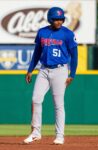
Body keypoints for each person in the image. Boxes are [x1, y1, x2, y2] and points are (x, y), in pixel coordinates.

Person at [23, 7, 78, 145]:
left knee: (58, 104)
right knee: (36, 99)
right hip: (43, 70)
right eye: (55, 19)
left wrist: (73, 73)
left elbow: (74, 55)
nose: (58, 21)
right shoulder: (42, 32)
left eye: (61, 19)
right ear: (50, 19)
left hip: (60, 70)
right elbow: (37, 53)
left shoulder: (68, 34)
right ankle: (35, 133)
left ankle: (60, 136)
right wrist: (30, 69)